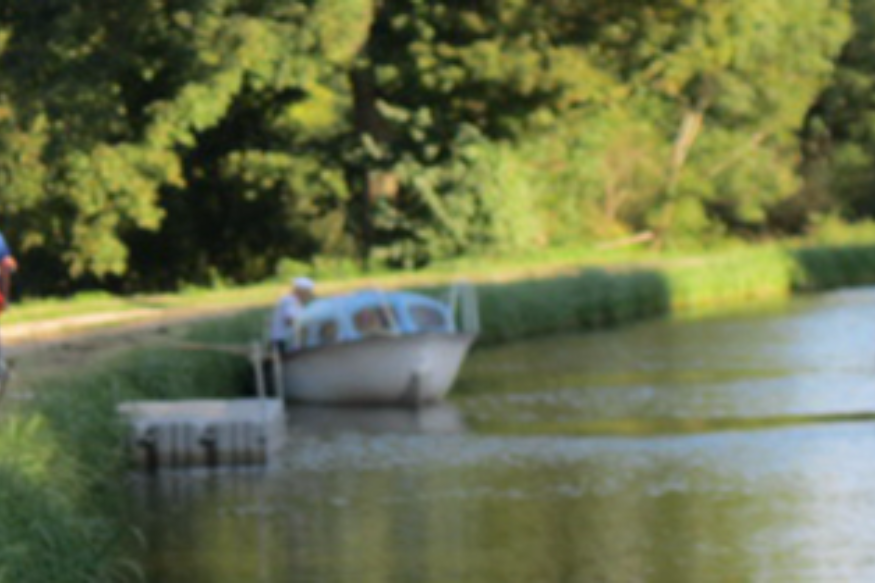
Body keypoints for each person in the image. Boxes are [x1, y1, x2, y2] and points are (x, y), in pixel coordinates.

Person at [269, 276, 315, 352]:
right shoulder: (290, 301)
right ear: (301, 291)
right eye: (308, 293)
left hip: (284, 340)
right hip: (282, 341)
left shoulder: (294, 301)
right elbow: (289, 321)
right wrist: (308, 324)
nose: (309, 295)